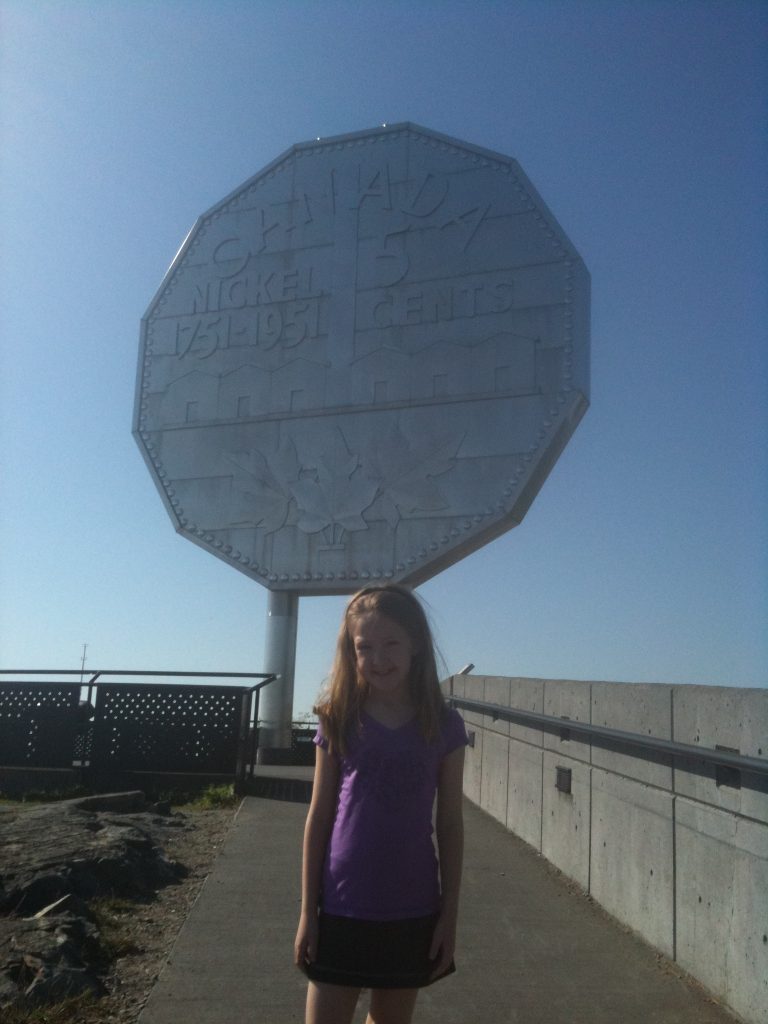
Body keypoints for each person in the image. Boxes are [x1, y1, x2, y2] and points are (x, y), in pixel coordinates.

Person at [294, 583, 468, 1024]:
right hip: (340, 905)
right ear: (350, 653)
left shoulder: (444, 726)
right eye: (364, 646)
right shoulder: (337, 718)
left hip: (412, 908)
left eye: (391, 643)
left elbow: (450, 823)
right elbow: (319, 817)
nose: (379, 658)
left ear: (416, 645)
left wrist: (449, 915)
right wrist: (307, 913)